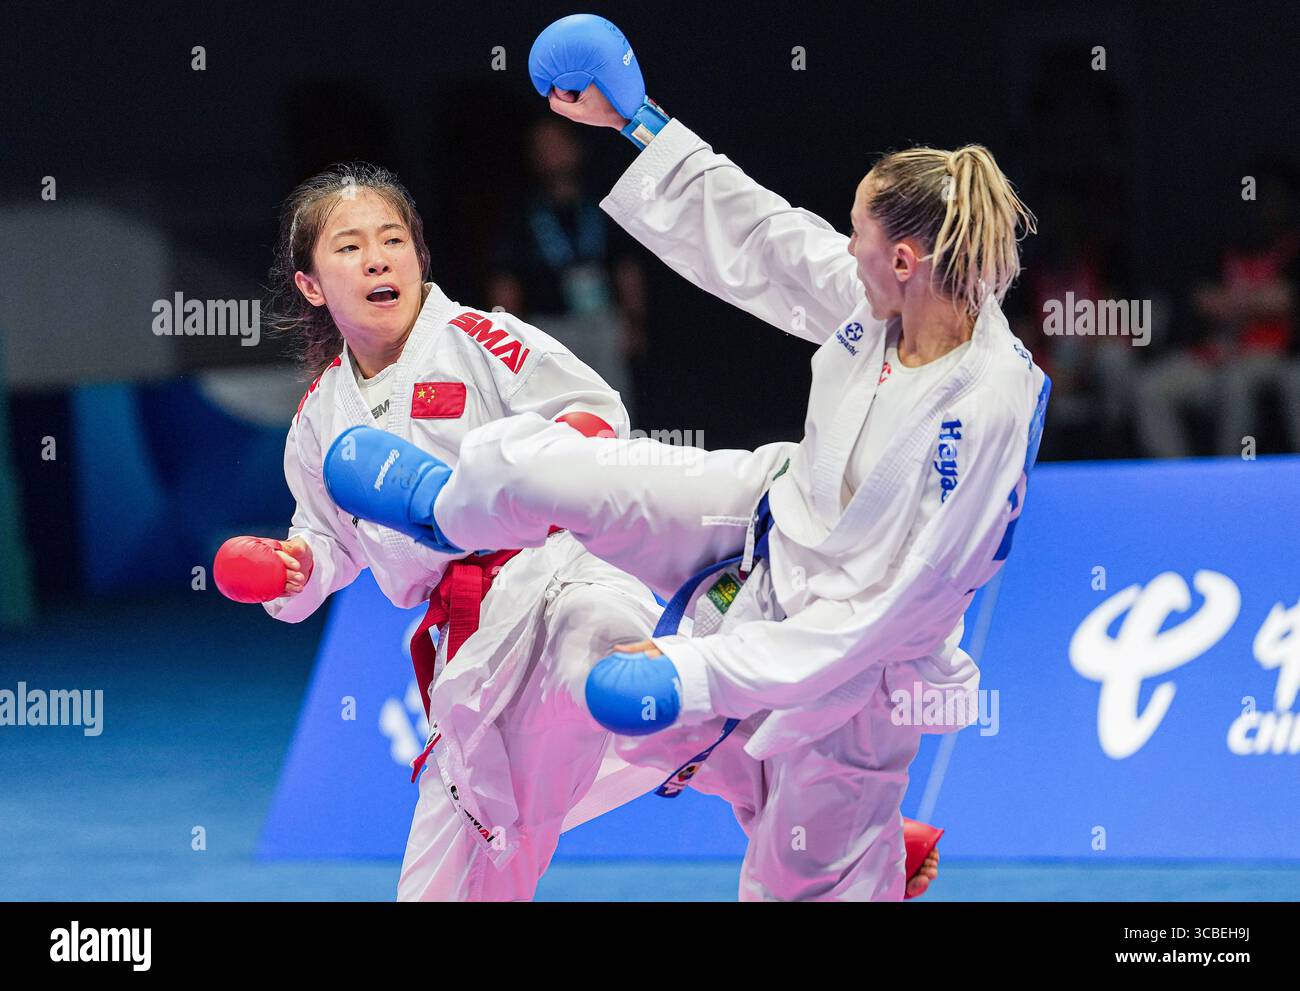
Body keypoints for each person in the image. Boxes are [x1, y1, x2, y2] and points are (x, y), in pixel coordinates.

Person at [322, 15, 1041, 900]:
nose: (840, 245)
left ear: (901, 257)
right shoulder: (895, 299)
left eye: (854, 233)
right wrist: (638, 120)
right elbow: (767, 241)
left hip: (860, 665)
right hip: (768, 510)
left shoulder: (981, 413)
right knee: (570, 472)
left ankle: (869, 850)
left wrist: (694, 670)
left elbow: (881, 612)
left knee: (782, 868)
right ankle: (448, 503)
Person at [210, 158, 948, 900]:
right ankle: (848, 831)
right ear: (310, 284)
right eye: (349, 246)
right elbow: (328, 539)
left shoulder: (479, 339)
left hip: (558, 573)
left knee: (630, 676)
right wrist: (293, 565)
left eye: (392, 238)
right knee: (465, 856)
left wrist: (540, 474)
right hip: (476, 655)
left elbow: (591, 413)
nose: (377, 257)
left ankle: (858, 837)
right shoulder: (317, 418)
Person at [486, 117, 648, 422]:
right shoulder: (521, 213)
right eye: (542, 147)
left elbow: (626, 266)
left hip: (603, 324)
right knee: (558, 414)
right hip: (548, 329)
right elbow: (504, 279)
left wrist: (634, 319)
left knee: (615, 408)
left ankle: (619, 463)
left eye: (557, 143)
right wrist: (507, 341)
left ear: (576, 147)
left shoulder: (602, 202)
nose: (551, 153)